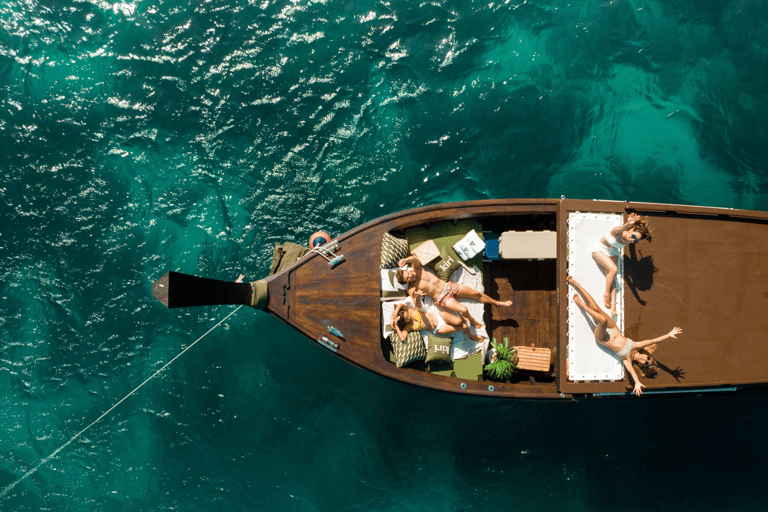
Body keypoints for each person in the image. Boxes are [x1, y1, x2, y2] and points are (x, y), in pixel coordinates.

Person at [567, 276, 681, 396]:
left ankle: (581, 305)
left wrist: (637, 383)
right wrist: (668, 335)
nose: (645, 359)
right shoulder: (637, 345)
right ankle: (575, 283)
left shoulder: (627, 360)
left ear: (642, 366)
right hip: (613, 329)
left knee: (603, 321)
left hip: (604, 338)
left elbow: (633, 374)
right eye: (648, 359)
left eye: (646, 363)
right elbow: (653, 340)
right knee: (595, 307)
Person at [396, 255, 512, 328]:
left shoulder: (417, 269)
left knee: (476, 294)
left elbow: (415, 258)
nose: (410, 275)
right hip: (441, 298)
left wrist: (405, 260)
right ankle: (472, 320)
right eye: (408, 278)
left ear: (407, 269)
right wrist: (416, 297)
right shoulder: (412, 289)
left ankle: (497, 303)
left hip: (448, 286)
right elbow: (418, 306)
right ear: (406, 281)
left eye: (408, 273)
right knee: (464, 309)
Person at [592, 212, 652, 317]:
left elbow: (633, 252)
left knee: (612, 277)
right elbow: (620, 229)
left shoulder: (630, 240)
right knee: (613, 269)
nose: (632, 239)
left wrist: (638, 298)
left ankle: (613, 306)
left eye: (636, 240)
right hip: (600, 248)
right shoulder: (617, 232)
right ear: (631, 230)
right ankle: (606, 294)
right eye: (633, 236)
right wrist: (628, 224)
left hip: (612, 252)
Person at [390, 291, 485, 343]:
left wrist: (394, 314)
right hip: (438, 328)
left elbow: (400, 305)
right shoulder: (408, 327)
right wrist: (396, 326)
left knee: (459, 321)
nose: (407, 314)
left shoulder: (410, 310)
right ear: (405, 320)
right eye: (405, 316)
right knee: (464, 327)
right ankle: (472, 337)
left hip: (439, 317)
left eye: (404, 313)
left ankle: (462, 319)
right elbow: (402, 338)